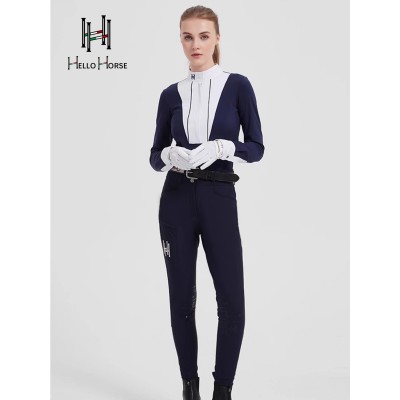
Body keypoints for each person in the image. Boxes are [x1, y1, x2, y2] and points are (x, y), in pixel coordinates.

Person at [149, 5, 265, 400]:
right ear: (180, 40)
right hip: (176, 199)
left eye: (203, 36)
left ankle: (223, 390)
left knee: (231, 300)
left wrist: (223, 147)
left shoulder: (238, 86)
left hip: (218, 196)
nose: (195, 44)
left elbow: (257, 148)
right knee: (181, 299)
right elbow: (153, 156)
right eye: (187, 36)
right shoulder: (170, 95)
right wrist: (169, 155)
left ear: (216, 38)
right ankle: (189, 388)